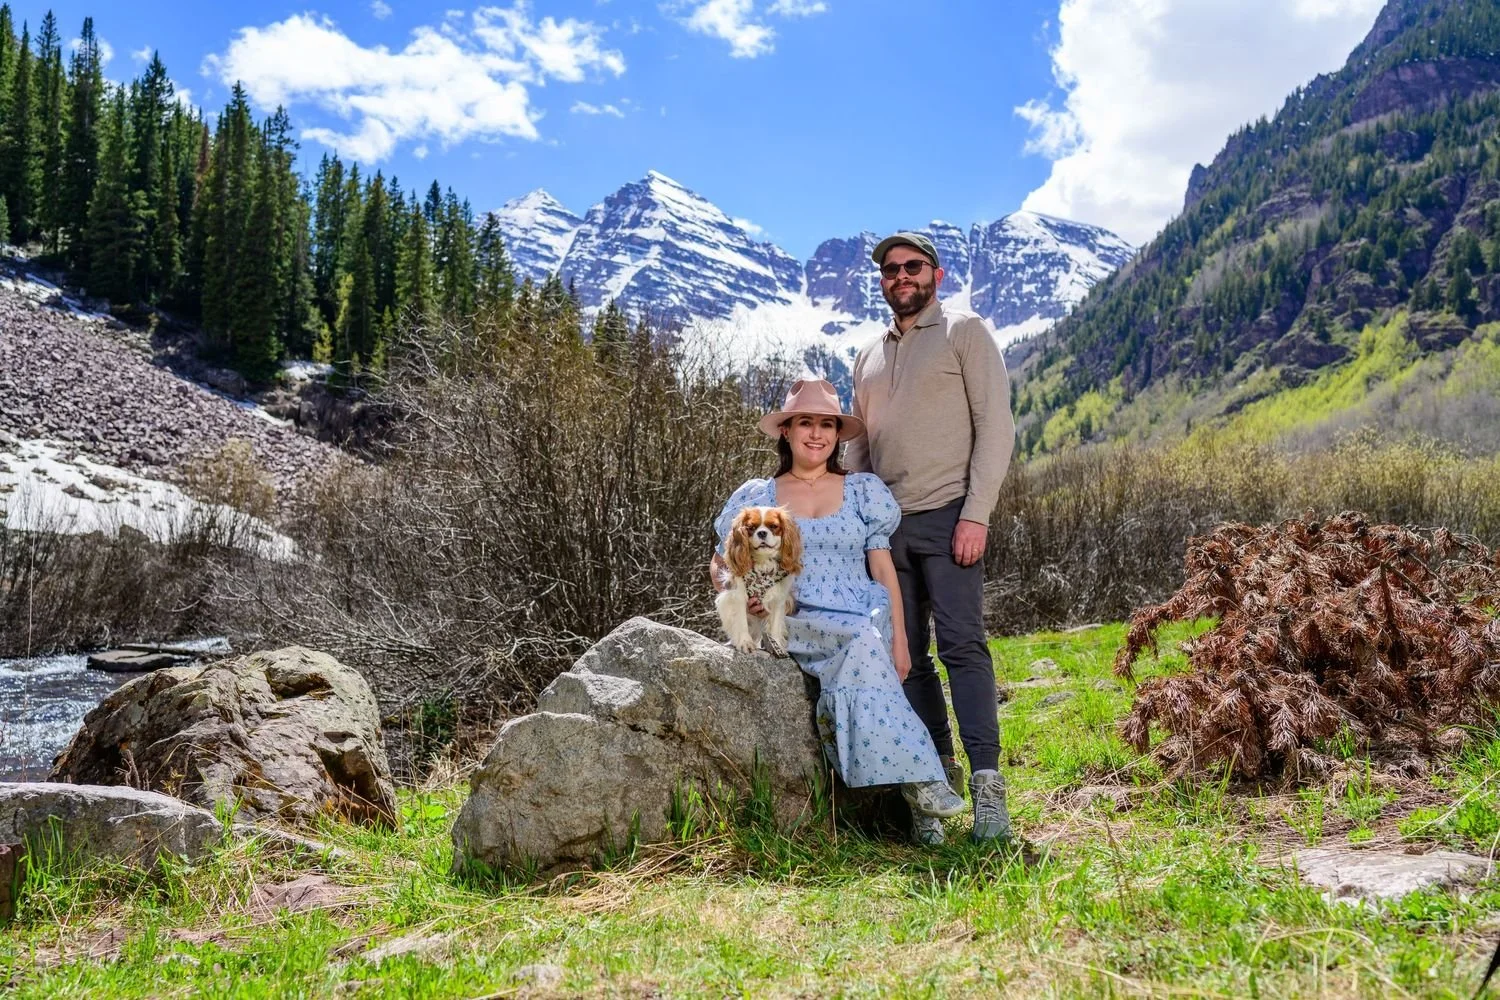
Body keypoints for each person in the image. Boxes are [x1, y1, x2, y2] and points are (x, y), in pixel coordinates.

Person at [709, 378, 967, 823]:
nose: (816, 434)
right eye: (805, 423)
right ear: (786, 431)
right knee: (860, 643)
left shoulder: (863, 491)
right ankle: (924, 787)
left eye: (826, 424)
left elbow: (884, 571)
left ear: (837, 434)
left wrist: (902, 641)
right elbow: (719, 562)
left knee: (865, 641)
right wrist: (744, 593)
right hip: (795, 612)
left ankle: (918, 804)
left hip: (861, 611)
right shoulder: (758, 498)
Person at [843, 232, 1017, 847]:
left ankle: (989, 790)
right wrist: (858, 525)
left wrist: (977, 515)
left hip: (949, 518)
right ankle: (935, 787)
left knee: (964, 648)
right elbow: (858, 448)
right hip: (887, 532)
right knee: (907, 660)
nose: (900, 277)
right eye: (890, 271)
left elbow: (996, 428)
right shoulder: (867, 355)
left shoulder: (964, 332)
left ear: (935, 275)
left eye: (912, 267)